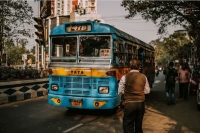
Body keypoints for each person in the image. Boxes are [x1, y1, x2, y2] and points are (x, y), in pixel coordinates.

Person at [118, 59, 150, 133]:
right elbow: (147, 91)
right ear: (139, 67)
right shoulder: (143, 77)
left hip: (129, 104)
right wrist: (140, 91)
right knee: (138, 126)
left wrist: (128, 92)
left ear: (130, 67)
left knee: (128, 125)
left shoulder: (125, 77)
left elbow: (120, 91)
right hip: (140, 104)